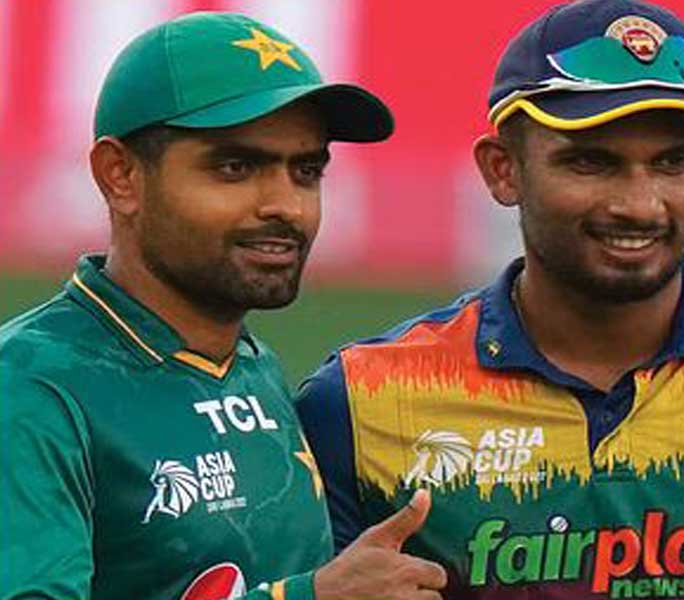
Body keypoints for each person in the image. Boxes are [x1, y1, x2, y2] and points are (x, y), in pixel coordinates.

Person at [296, 0, 684, 598]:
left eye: (674, 163)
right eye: (591, 162)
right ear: (502, 170)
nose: (639, 205)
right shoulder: (359, 403)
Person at [0, 12, 447, 600]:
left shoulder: (253, 367)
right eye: (236, 168)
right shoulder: (30, 388)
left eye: (306, 171)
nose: (286, 205)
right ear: (120, 176)